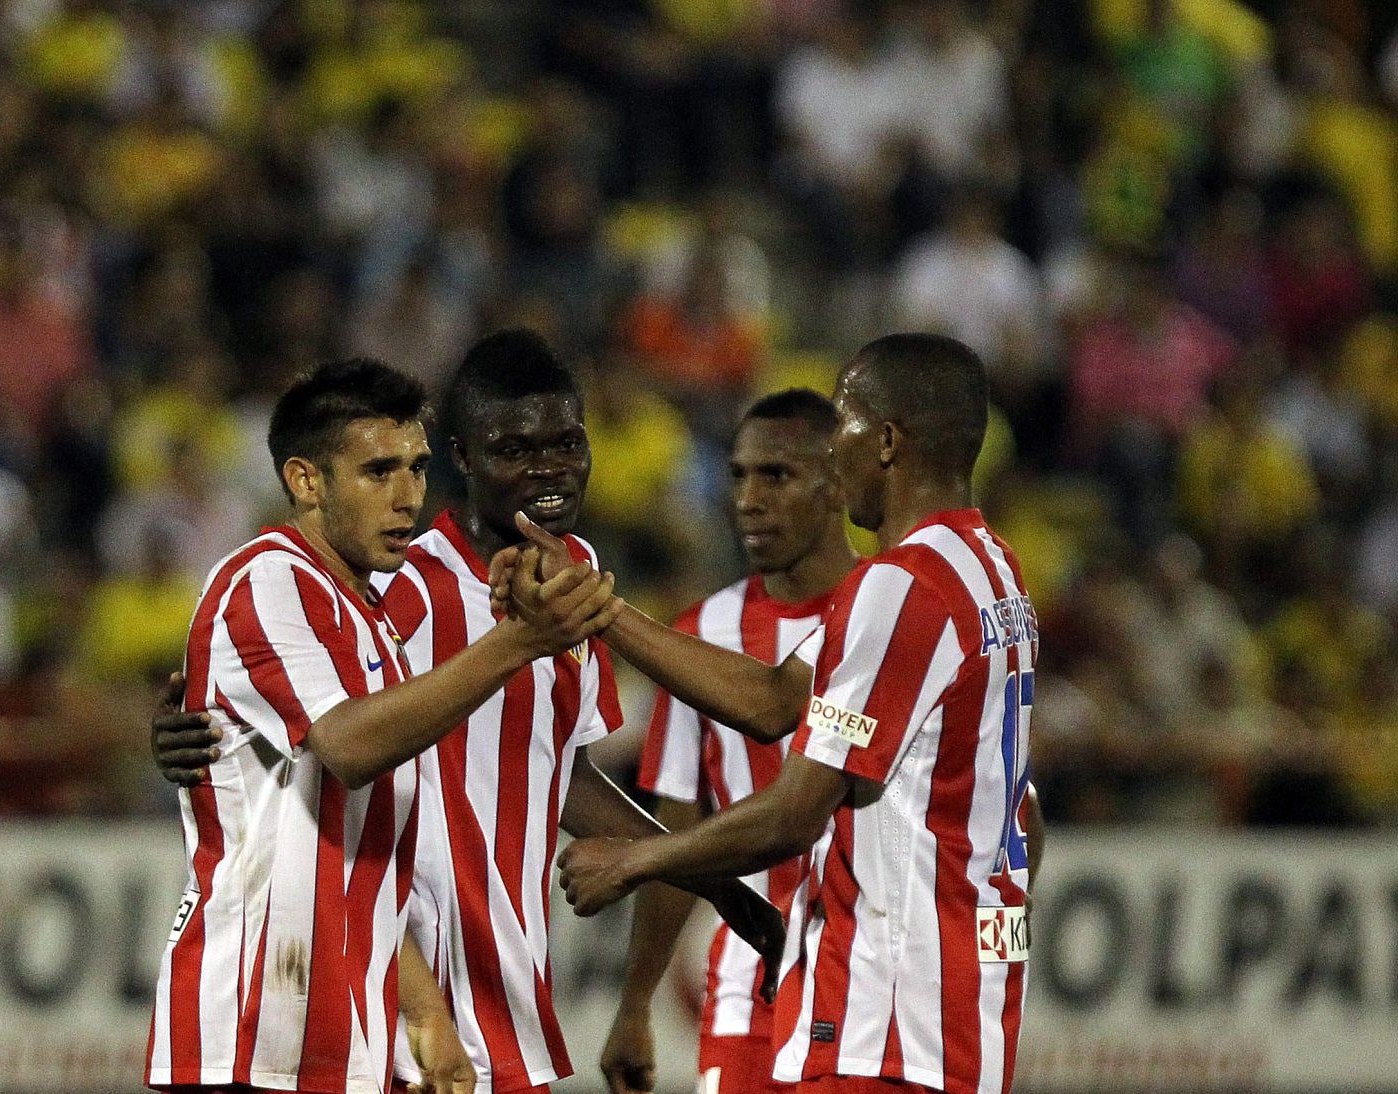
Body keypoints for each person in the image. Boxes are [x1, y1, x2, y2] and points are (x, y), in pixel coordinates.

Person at [151, 332, 784, 1094]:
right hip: (398, 1007)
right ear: (467, 457)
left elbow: (556, 774)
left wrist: (709, 877)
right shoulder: (398, 590)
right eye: (515, 449)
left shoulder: (570, 581)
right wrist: (184, 723)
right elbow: (308, 723)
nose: (547, 467)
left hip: (509, 997)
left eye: (565, 443)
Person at [508, 333, 1043, 1094]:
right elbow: (777, 702)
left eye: (846, 428)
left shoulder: (903, 587)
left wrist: (633, 860)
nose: (836, 452)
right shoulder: (993, 568)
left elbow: (795, 812)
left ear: (887, 441)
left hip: (883, 1017)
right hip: (958, 1008)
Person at [605, 389, 858, 1094]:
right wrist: (635, 1003)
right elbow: (678, 823)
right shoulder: (699, 636)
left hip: (871, 982)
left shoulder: (898, 612)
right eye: (739, 475)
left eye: (775, 476)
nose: (748, 498)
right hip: (752, 989)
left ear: (837, 480)